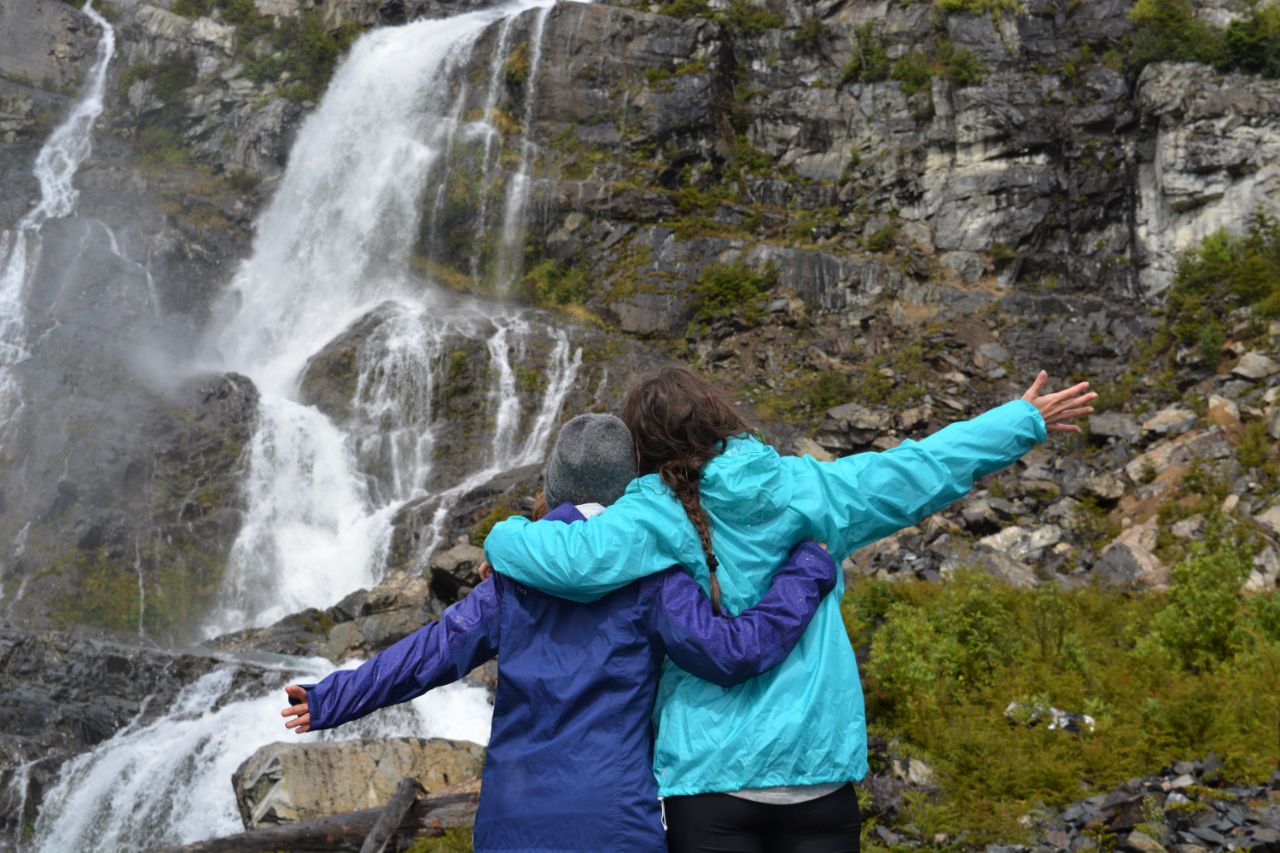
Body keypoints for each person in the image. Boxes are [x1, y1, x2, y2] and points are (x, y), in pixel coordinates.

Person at [483, 368, 1096, 853]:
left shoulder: (648, 513)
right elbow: (921, 467)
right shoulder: (813, 489)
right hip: (818, 775)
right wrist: (1021, 420)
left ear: (640, 446)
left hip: (707, 779)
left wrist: (503, 538)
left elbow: (568, 560)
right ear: (720, 417)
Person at [279, 413, 839, 853]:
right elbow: (733, 652)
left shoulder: (514, 575)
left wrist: (330, 698)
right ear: (632, 488)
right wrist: (807, 570)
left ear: (553, 485)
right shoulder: (654, 576)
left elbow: (427, 654)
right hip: (615, 822)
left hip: (511, 823)